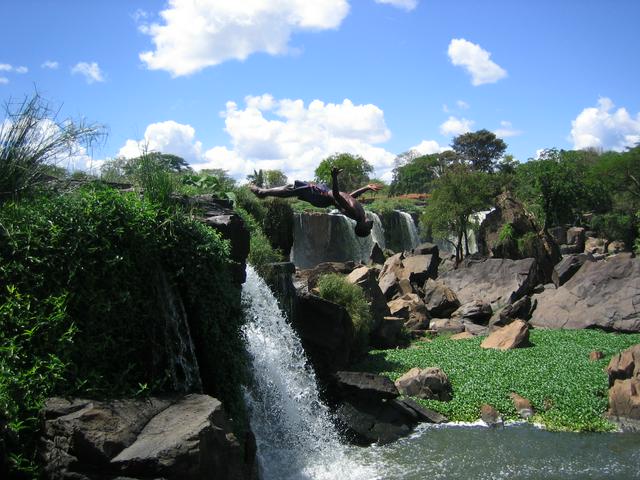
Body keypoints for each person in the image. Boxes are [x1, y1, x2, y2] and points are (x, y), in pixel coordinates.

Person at [249, 167, 382, 237]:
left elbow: (336, 195)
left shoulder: (354, 213)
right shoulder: (359, 213)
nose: (371, 227)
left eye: (368, 230)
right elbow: (350, 197)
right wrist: (366, 187)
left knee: (294, 189)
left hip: (323, 197)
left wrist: (334, 177)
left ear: (360, 226)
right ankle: (263, 193)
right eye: (370, 230)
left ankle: (262, 193)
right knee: (293, 189)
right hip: (324, 194)